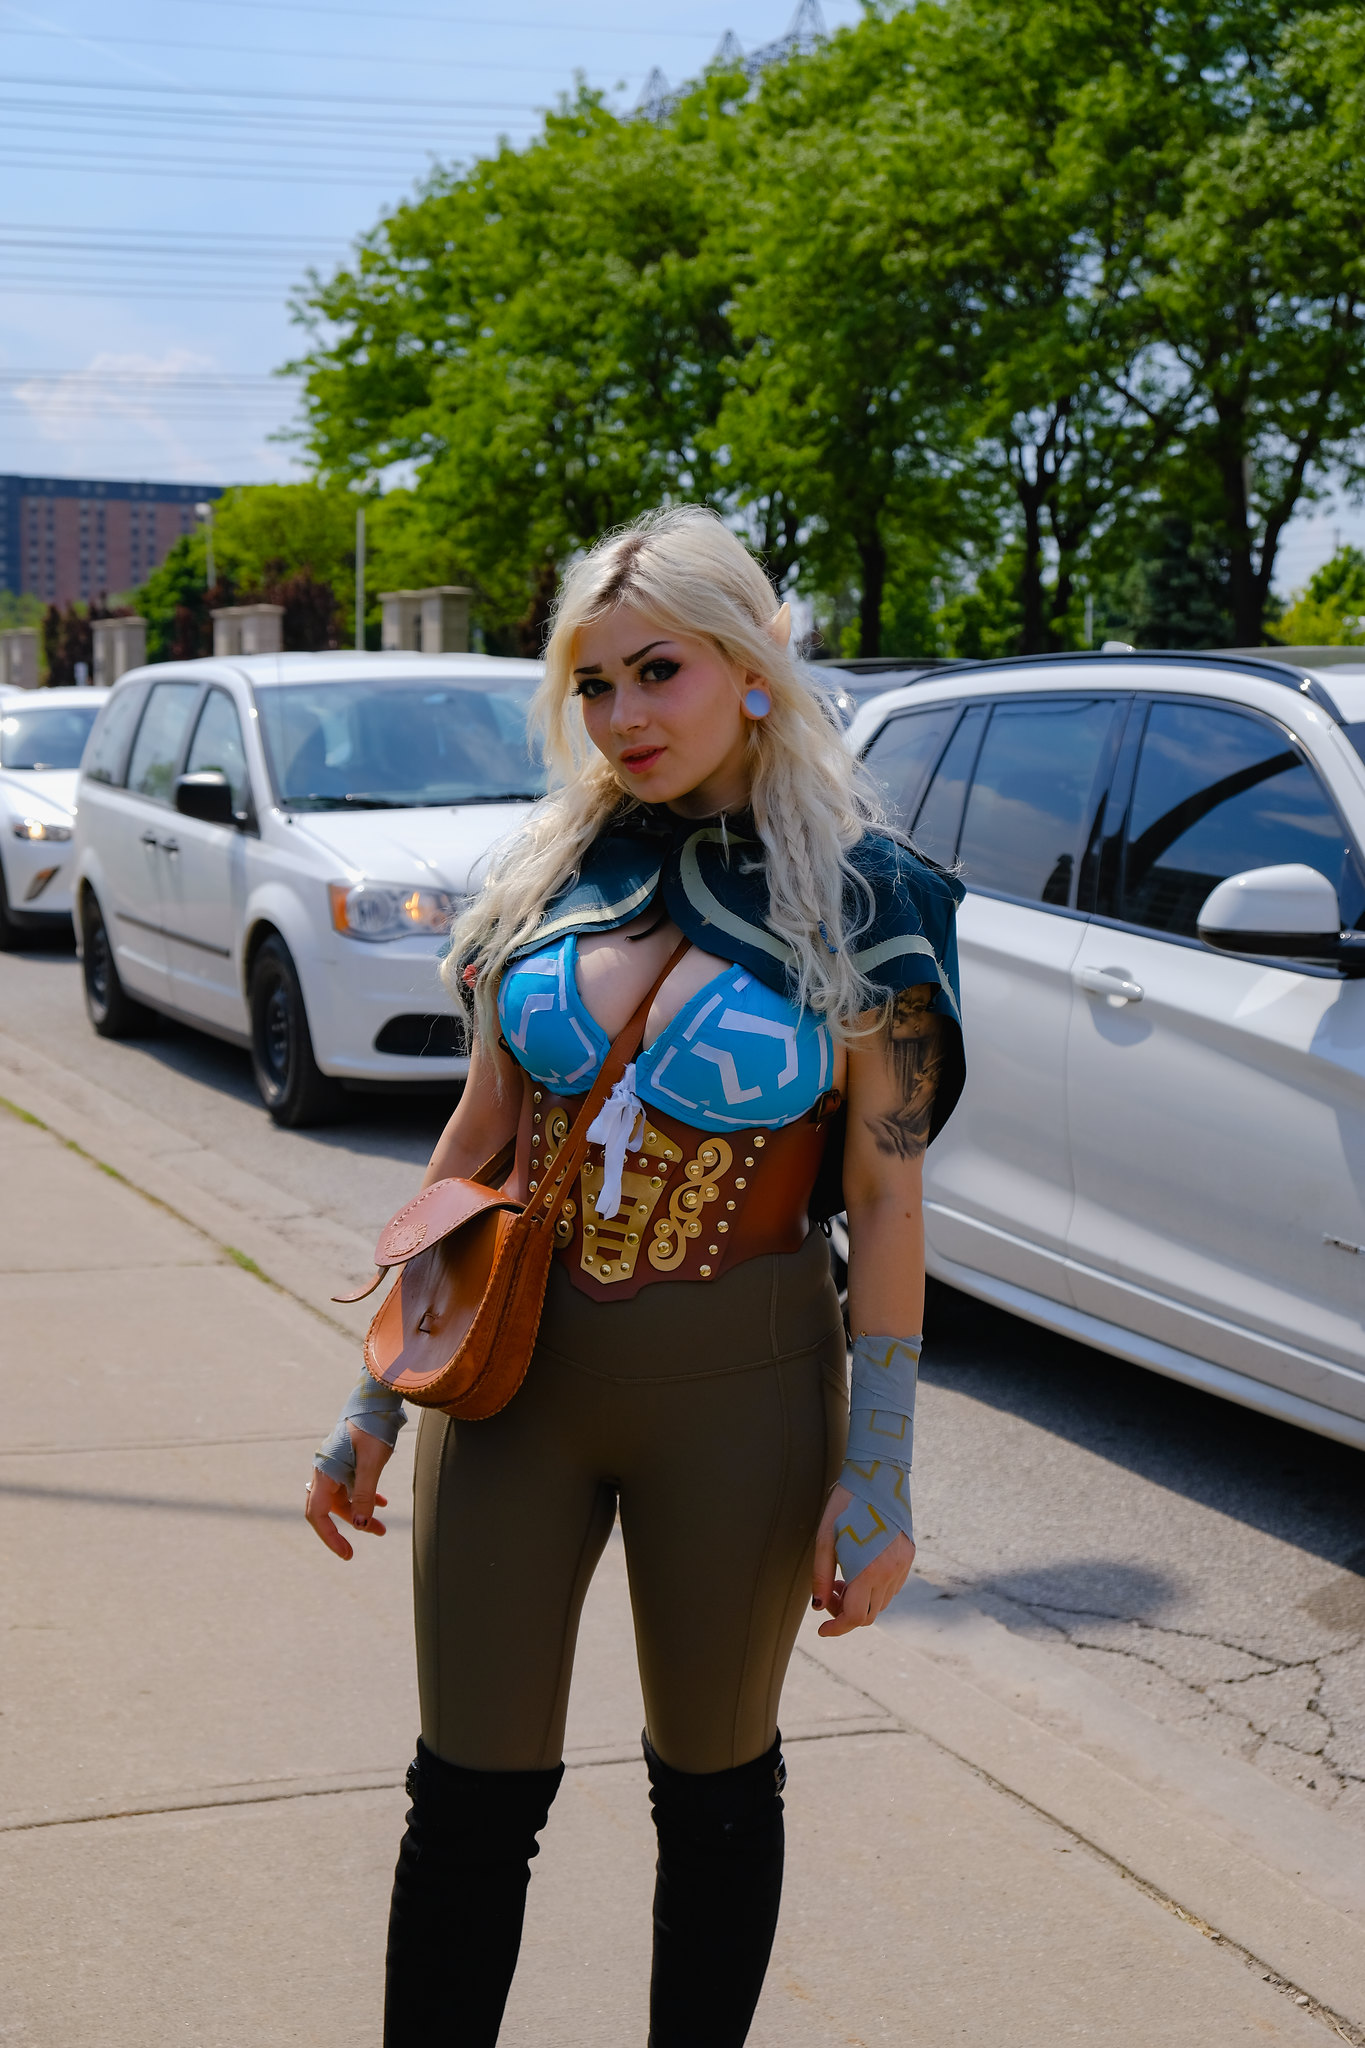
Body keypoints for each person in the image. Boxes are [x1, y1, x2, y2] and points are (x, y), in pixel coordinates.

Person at [305, 506, 965, 2047]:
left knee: (716, 1792)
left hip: (740, 1397)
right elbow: (473, 1141)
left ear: (751, 667)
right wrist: (372, 1397)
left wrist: (878, 1475)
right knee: (467, 1796)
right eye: (592, 686)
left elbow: (887, 1204)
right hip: (515, 1386)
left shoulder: (867, 900)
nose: (620, 717)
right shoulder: (546, 868)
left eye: (654, 671)